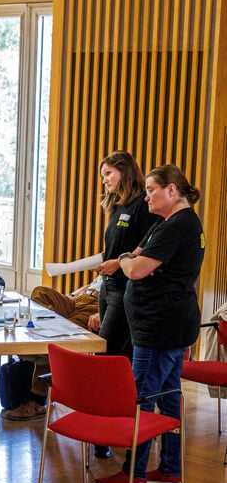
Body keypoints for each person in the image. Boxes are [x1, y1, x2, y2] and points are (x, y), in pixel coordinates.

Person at [94, 165, 205, 483]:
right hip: (164, 326)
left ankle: (134, 473)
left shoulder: (178, 226)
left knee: (141, 398)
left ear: (172, 191)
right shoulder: (168, 223)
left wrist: (128, 264)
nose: (146, 197)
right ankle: (170, 469)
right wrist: (131, 260)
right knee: (168, 399)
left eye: (151, 190)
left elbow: (136, 267)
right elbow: (136, 254)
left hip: (160, 329)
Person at [1, 283, 101, 423]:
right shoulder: (108, 267)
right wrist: (72, 295)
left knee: (61, 337)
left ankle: (38, 401)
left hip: (96, 306)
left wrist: (100, 313)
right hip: (79, 299)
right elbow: (92, 284)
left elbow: (119, 298)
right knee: (40, 291)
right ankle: (38, 341)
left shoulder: (125, 268)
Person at [90, 151, 155, 358]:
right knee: (113, 353)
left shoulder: (143, 206)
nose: (104, 180)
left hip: (125, 289)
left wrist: (117, 264)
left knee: (105, 353)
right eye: (102, 176)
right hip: (107, 287)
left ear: (124, 171)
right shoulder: (118, 206)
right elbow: (116, 246)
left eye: (108, 173)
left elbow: (147, 248)